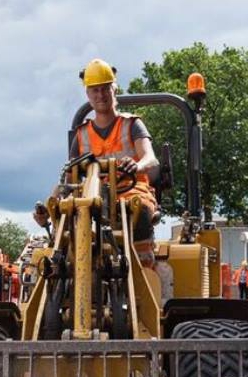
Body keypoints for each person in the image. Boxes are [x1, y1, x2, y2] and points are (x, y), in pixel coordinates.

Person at [36, 58, 161, 270]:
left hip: (131, 192)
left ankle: (144, 271)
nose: (101, 95)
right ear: (88, 94)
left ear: (114, 89)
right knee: (69, 215)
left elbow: (151, 158)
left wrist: (138, 166)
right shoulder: (82, 135)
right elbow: (69, 178)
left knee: (141, 212)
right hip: (93, 198)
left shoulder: (132, 124)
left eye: (105, 89)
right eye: (95, 90)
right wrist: (51, 204)